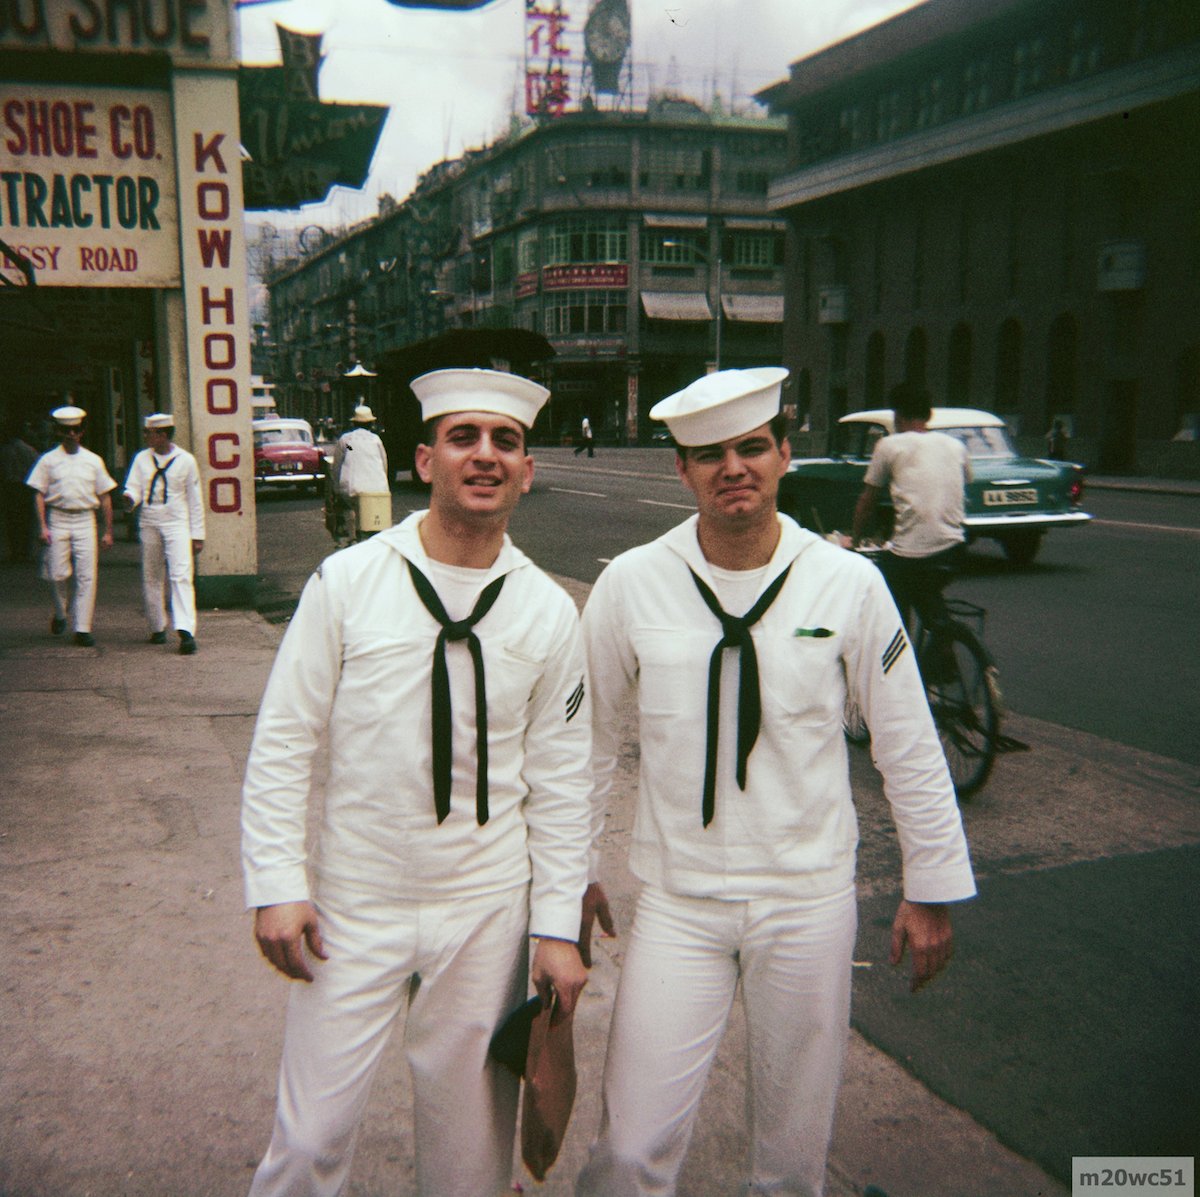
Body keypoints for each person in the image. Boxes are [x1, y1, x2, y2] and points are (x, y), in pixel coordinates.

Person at [575, 368, 975, 1197]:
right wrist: (569, 874)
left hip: (807, 898)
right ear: (679, 471)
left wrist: (930, 883)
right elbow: (586, 741)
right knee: (628, 1151)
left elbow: (906, 739)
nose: (734, 467)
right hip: (679, 901)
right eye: (709, 453)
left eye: (752, 446)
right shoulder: (631, 583)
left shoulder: (848, 584)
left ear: (785, 454)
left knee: (791, 1161)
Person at [242, 368, 593, 1197]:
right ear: (423, 459)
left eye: (506, 441)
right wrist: (277, 883)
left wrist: (556, 927)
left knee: (470, 1159)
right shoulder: (350, 582)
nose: (486, 455)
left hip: (486, 910)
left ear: (527, 469)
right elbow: (285, 737)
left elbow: (563, 780)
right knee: (308, 1142)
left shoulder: (546, 609)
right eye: (464, 437)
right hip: (357, 902)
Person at [849, 381, 972, 634]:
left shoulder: (889, 445)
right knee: (926, 596)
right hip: (955, 548)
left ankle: (899, 652)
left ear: (897, 414)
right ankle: (944, 651)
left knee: (889, 594)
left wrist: (856, 538)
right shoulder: (956, 446)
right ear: (928, 413)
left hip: (914, 554)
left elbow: (867, 501)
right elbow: (965, 480)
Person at [25, 404, 117, 648]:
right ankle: (60, 612)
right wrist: (42, 526)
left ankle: (83, 627)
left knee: (87, 575)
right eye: (66, 430)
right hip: (58, 519)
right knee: (57, 572)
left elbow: (105, 496)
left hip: (85, 519)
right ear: (59, 432)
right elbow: (38, 493)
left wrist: (108, 530)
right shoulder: (48, 460)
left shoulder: (93, 461)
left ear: (82, 432)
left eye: (75, 430)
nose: (71, 434)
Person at [122, 413, 206, 655]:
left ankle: (185, 630)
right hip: (149, 520)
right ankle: (157, 625)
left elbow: (195, 499)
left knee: (180, 574)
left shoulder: (186, 461)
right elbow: (134, 487)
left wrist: (197, 534)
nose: (147, 436)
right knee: (152, 573)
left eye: (150, 433)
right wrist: (130, 499)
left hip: (176, 521)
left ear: (162, 435)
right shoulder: (141, 459)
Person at [331, 403, 390, 544]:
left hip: (352, 487)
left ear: (353, 423)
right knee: (373, 513)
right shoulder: (376, 440)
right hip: (376, 488)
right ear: (371, 423)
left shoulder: (347, 441)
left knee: (350, 507)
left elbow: (337, 465)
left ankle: (352, 538)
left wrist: (336, 487)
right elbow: (384, 463)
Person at [0, 419, 38, 563]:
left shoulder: (4, 450)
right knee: (26, 520)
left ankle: (15, 551)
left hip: (10, 488)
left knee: (12, 520)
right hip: (25, 488)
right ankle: (25, 551)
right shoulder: (29, 449)